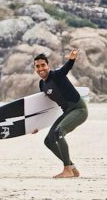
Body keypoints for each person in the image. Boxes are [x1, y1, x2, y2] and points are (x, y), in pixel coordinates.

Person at [33, 49, 88, 178]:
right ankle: (72, 167)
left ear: (48, 66)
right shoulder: (42, 85)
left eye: (43, 65)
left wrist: (72, 59)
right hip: (66, 112)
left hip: (79, 110)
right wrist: (35, 125)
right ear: (35, 68)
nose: (41, 68)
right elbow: (47, 107)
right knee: (48, 141)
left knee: (59, 132)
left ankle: (67, 169)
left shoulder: (57, 75)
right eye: (37, 66)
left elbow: (66, 68)